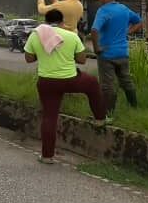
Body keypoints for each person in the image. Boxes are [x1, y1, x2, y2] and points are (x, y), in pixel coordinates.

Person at [24, 9, 106, 164]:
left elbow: (29, 58)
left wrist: (41, 54)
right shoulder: (71, 35)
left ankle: (47, 156)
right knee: (93, 84)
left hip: (47, 82)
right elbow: (82, 60)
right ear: (62, 21)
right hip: (70, 79)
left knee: (49, 117)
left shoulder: (36, 35)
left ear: (46, 21)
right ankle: (100, 119)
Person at [90, 0, 143, 119]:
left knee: (108, 85)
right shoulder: (124, 9)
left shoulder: (103, 11)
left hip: (106, 54)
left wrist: (96, 48)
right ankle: (134, 107)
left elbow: (94, 30)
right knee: (126, 81)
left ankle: (108, 114)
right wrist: (128, 32)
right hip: (122, 53)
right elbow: (139, 21)